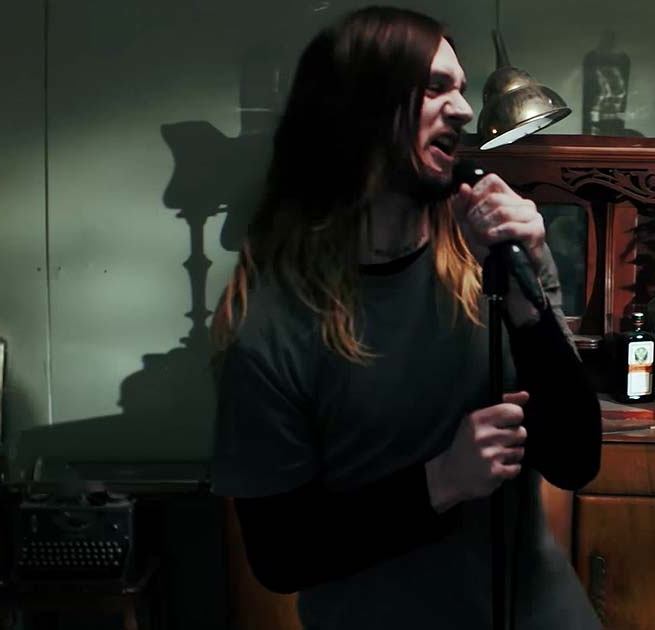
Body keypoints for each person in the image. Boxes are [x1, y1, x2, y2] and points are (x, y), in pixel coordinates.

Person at [209, 6, 603, 629]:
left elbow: (574, 458)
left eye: (461, 88)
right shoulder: (271, 326)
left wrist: (524, 280)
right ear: (358, 110)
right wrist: (441, 481)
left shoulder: (490, 256)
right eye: (435, 88)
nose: (465, 110)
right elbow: (280, 554)